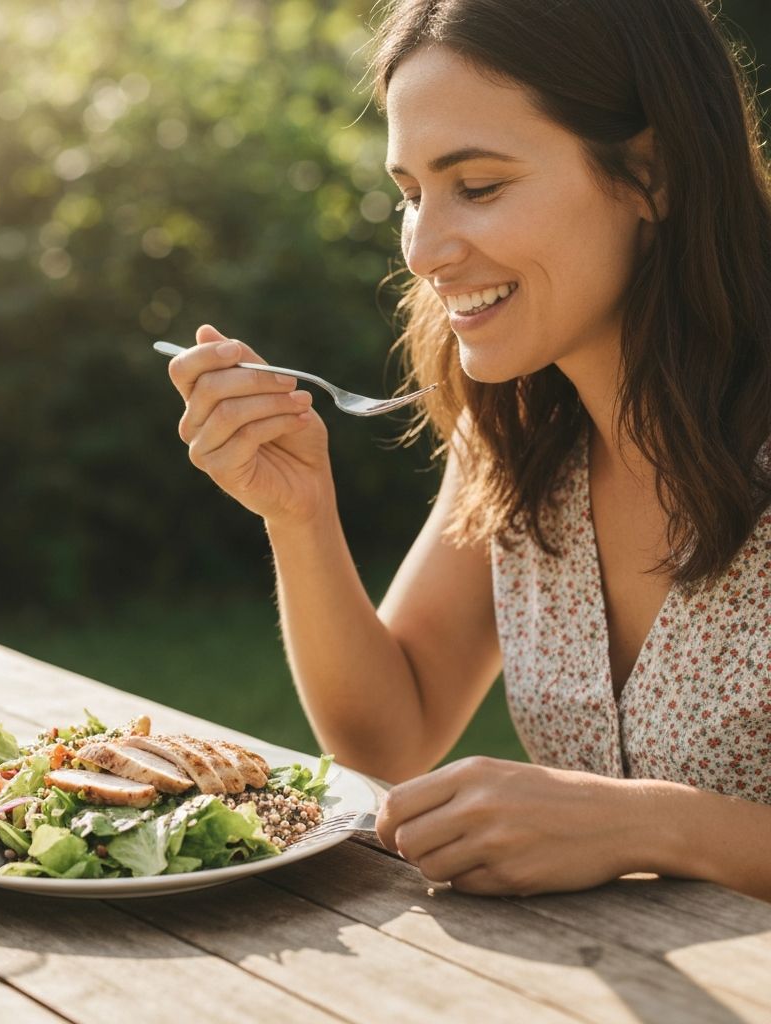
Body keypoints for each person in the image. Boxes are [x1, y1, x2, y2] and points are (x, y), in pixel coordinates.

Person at [163, 0, 771, 900]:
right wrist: (299, 512)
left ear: (652, 173)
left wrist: (648, 822)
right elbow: (390, 736)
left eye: (478, 187)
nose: (422, 249)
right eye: (409, 195)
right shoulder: (520, 433)